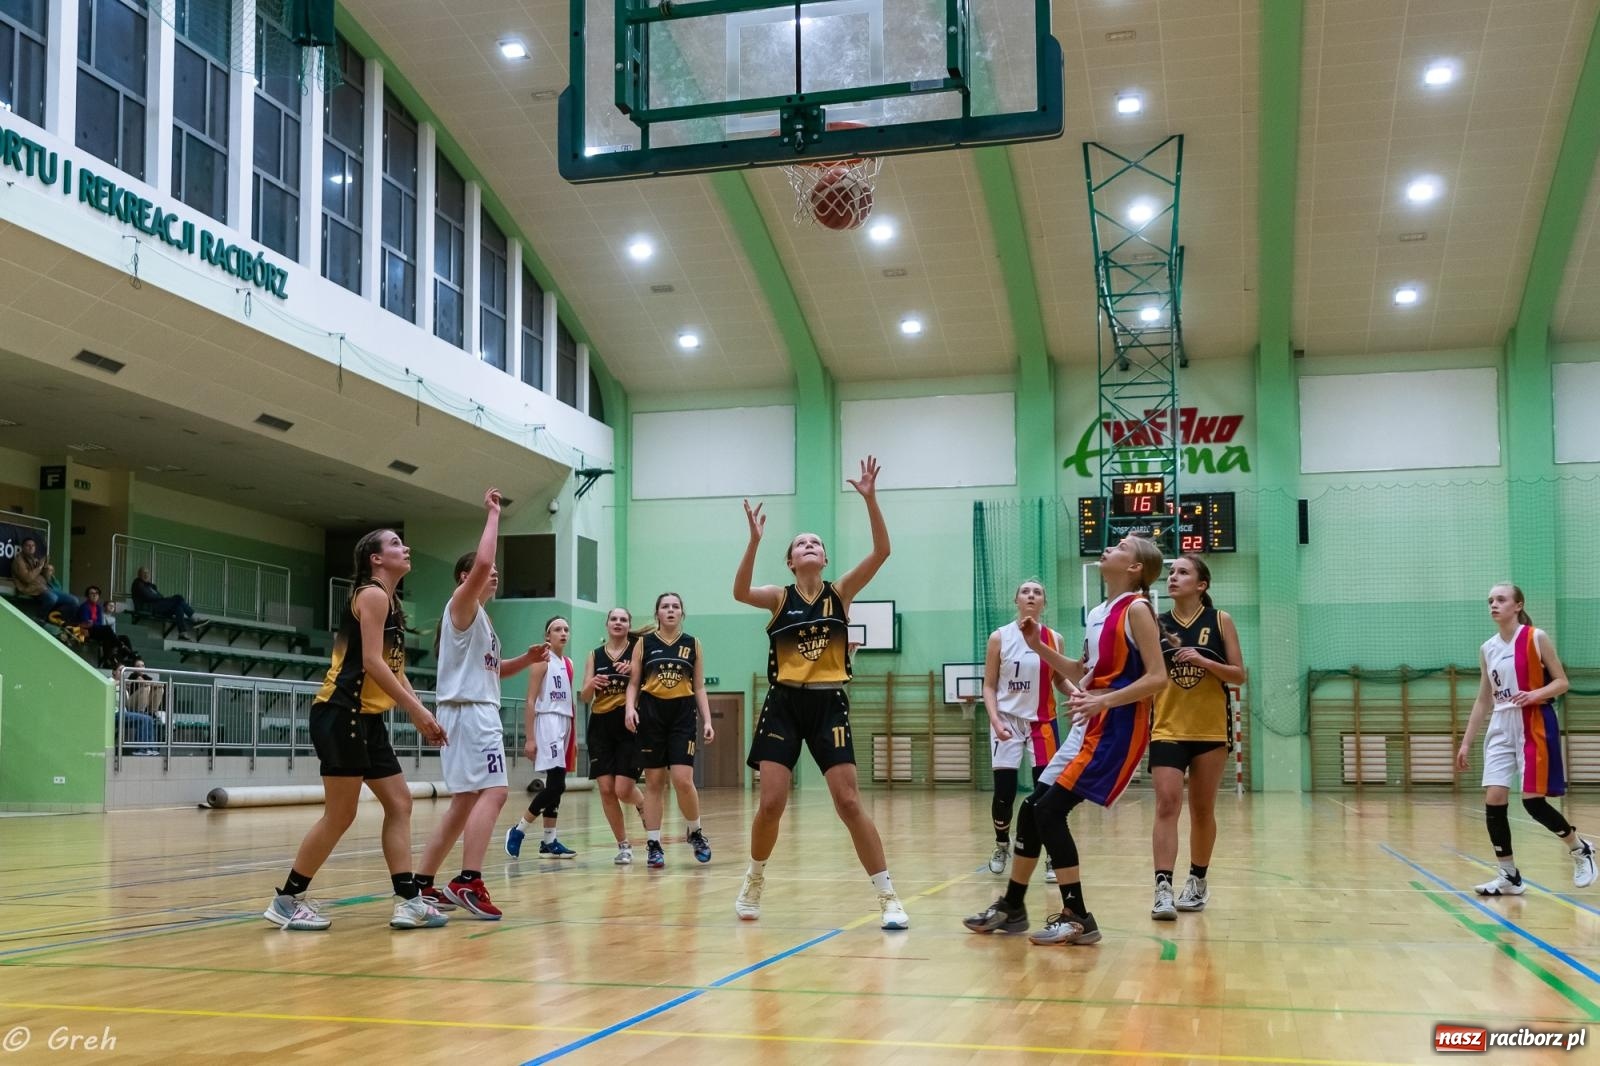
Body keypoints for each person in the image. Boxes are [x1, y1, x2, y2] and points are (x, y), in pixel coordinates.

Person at [963, 534, 1167, 946]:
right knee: (1031, 809)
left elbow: (1157, 677)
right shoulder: (1098, 613)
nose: (1109, 548)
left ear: (1134, 568)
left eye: (1121, 547)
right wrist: (1037, 646)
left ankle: (1077, 916)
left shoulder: (1137, 609)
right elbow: (1079, 671)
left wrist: (1103, 700)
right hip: (1088, 724)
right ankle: (1013, 906)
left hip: (1117, 729)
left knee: (1050, 811)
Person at [732, 455, 909, 929]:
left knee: (848, 802)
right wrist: (753, 541)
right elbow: (740, 591)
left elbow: (882, 551)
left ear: (825, 559)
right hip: (783, 704)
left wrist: (870, 500)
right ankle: (754, 878)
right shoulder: (778, 597)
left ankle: (888, 896)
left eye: (816, 543)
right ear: (791, 561)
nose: (809, 546)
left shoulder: (840, 592)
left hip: (829, 704)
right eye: (800, 544)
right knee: (772, 803)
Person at [262, 529, 449, 932]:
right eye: (395, 543)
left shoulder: (390, 603)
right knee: (341, 814)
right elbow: (371, 663)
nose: (405, 547)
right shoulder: (373, 595)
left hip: (366, 718)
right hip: (341, 712)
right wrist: (415, 711)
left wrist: (422, 712)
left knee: (399, 803)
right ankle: (287, 900)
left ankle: (408, 901)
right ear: (375, 559)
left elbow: (394, 668)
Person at [413, 490, 544, 920]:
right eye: (487, 573)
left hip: (466, 710)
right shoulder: (462, 604)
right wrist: (493, 513)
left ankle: (422, 882)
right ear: (464, 578)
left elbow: (491, 671)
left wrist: (524, 660)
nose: (494, 576)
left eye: (497, 575)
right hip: (471, 714)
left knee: (464, 801)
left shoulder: (481, 620)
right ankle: (468, 880)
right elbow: (484, 561)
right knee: (497, 791)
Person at [1456, 583, 1595, 894]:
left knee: (1533, 802)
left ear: (1518, 605)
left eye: (1501, 599)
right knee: (1494, 798)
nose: (1493, 604)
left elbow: (1562, 682)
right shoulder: (1487, 648)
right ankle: (1508, 875)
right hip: (1500, 723)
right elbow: (1483, 699)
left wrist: (1535, 694)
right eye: (1490, 600)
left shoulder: (1535, 637)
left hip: (1533, 720)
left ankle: (1580, 848)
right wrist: (1466, 742)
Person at [1149, 555, 1245, 920]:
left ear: (1201, 584)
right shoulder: (1156, 624)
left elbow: (1238, 674)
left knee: (1202, 809)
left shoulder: (1220, 620)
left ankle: (1198, 880)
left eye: (1183, 572)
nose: (1173, 577)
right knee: (1166, 804)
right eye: (1171, 572)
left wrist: (1205, 661)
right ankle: (1162, 889)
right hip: (1167, 727)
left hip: (1210, 729)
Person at [981, 578, 1070, 879]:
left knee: (1046, 794)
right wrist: (995, 720)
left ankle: (1051, 854)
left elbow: (1059, 679)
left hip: (1042, 724)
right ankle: (1001, 844)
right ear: (1016, 600)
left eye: (1037, 592)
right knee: (1004, 795)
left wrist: (1079, 695)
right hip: (1006, 720)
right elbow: (989, 685)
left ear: (1044, 602)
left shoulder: (1054, 639)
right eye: (1025, 591)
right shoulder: (999, 637)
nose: (1031, 596)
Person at [625, 594, 714, 869]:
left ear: (682, 613)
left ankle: (695, 832)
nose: (671, 610)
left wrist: (708, 720)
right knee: (654, 782)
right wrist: (629, 709)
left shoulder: (693, 644)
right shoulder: (644, 644)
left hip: (682, 715)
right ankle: (653, 844)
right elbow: (633, 683)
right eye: (665, 606)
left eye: (675, 606)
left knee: (682, 780)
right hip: (651, 714)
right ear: (658, 614)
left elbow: (699, 686)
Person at [506, 616, 583, 859]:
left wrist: (574, 738)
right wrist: (530, 738)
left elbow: (570, 702)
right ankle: (518, 830)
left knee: (555, 784)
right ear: (547, 635)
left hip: (565, 723)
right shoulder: (541, 660)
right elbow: (530, 700)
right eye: (557, 629)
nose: (563, 633)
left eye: (566, 629)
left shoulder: (569, 663)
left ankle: (549, 841)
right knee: (557, 785)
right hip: (547, 720)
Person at [581, 607, 649, 865]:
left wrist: (633, 670)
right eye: (614, 619)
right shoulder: (594, 655)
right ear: (607, 624)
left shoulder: (638, 651)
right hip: (600, 726)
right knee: (606, 789)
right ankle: (623, 846)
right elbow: (585, 696)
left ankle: (641, 803)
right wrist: (591, 684)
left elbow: (648, 684)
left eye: (623, 619)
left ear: (629, 624)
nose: (618, 622)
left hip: (629, 723)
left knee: (623, 789)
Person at [12, 538, 81, 619]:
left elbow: (47, 579)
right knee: (52, 598)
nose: (31, 548)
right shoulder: (18, 561)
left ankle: (55, 617)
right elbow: (27, 579)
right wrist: (39, 567)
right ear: (22, 547)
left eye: (33, 546)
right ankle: (40, 618)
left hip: (46, 588)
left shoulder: (34, 559)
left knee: (74, 600)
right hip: (32, 590)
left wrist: (46, 569)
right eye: (28, 545)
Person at [130, 567, 201, 640]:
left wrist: (163, 599)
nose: (146, 575)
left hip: (157, 607)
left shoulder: (151, 586)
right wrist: (164, 599)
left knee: (178, 607)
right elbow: (149, 596)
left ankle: (182, 633)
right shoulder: (137, 583)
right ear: (139, 575)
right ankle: (194, 619)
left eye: (147, 573)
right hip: (148, 607)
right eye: (144, 573)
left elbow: (159, 596)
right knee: (178, 598)